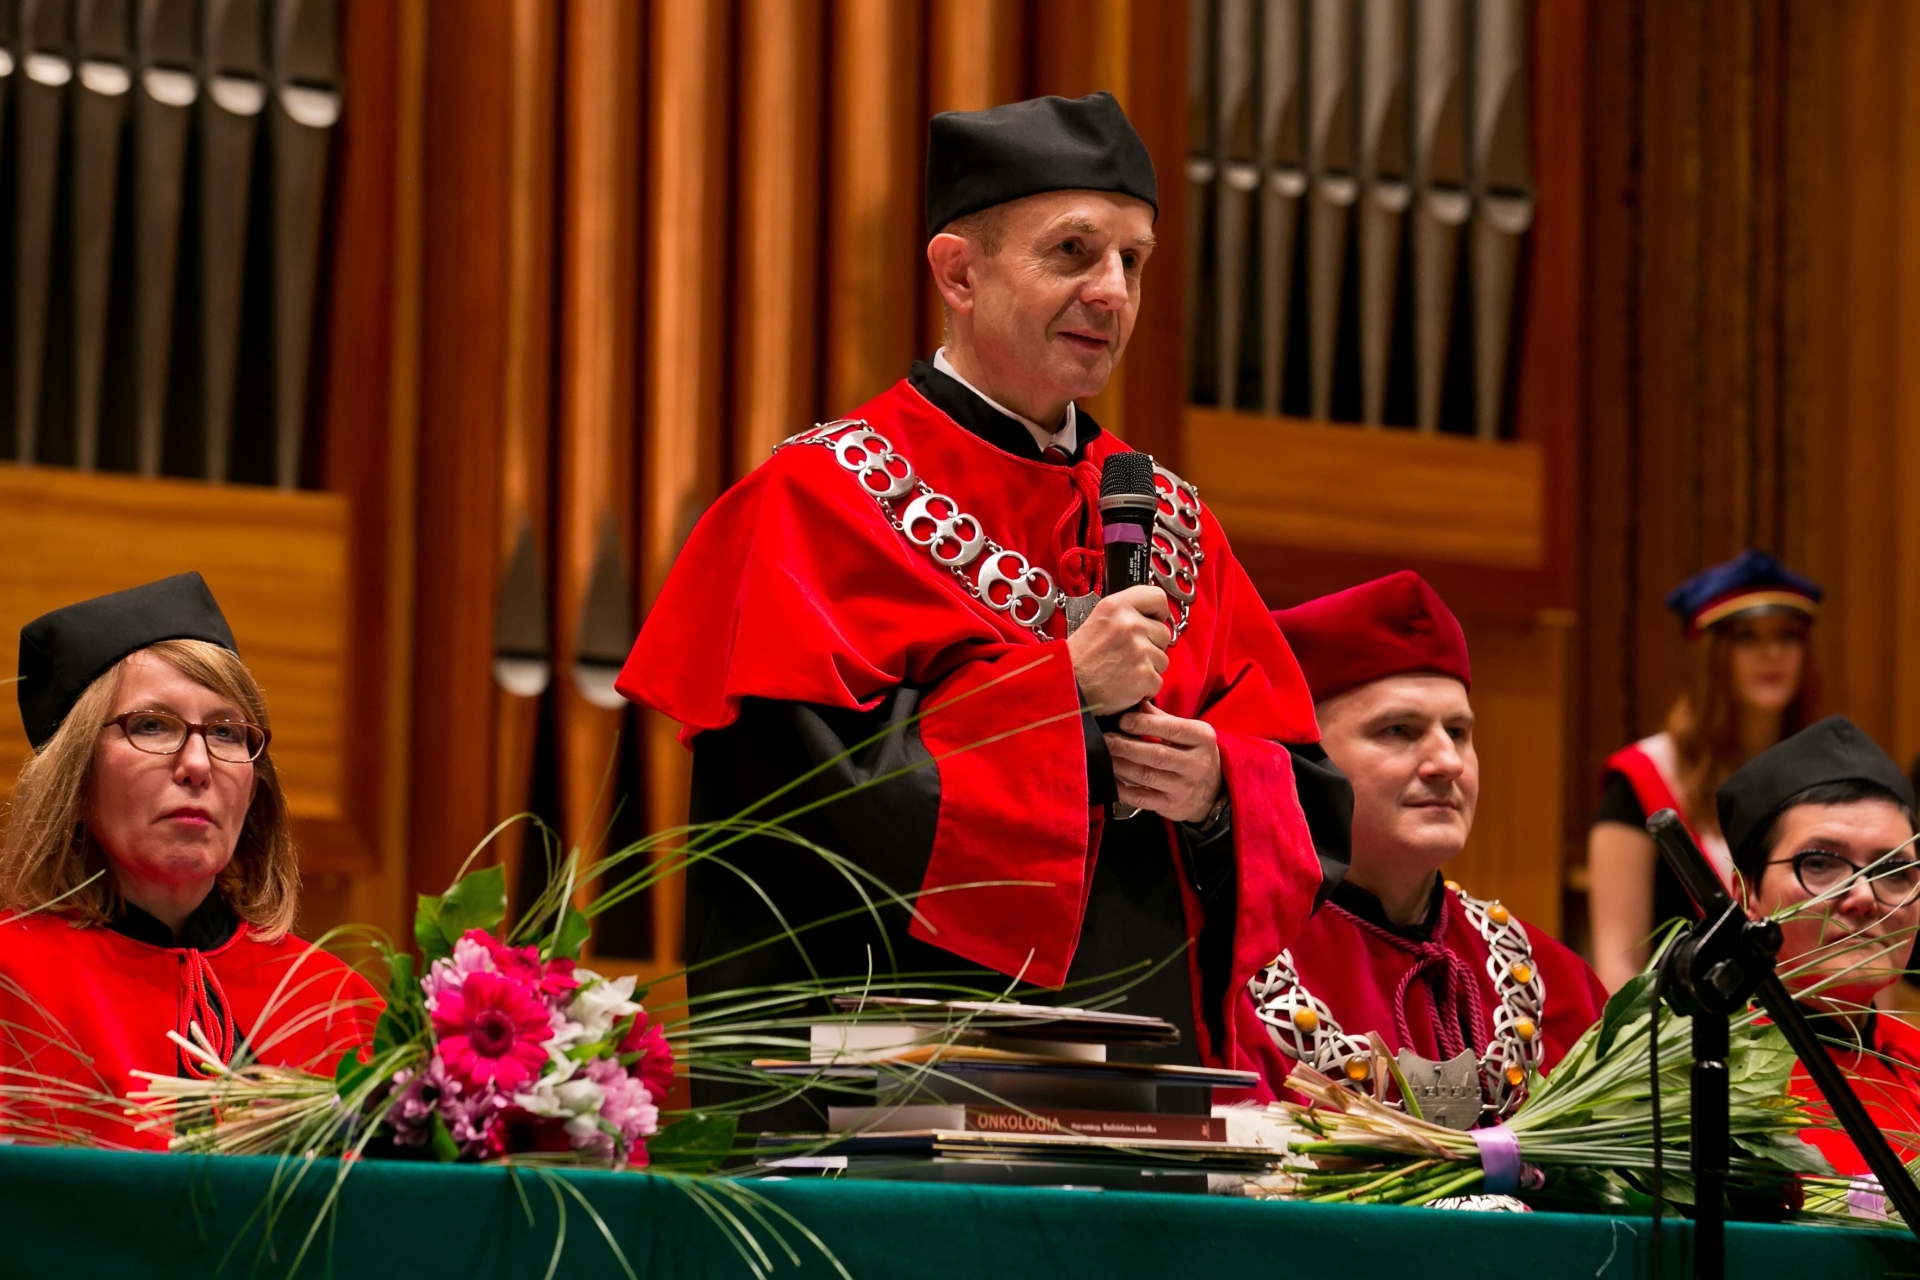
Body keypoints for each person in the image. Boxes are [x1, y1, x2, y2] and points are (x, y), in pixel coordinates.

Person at [616, 93, 1344, 1099]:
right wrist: (1060, 692)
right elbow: (813, 811)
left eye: (1133, 260)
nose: (1111, 291)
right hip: (891, 1090)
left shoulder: (1178, 523)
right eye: (1074, 251)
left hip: (1148, 1090)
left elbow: (1312, 800)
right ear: (959, 272)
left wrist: (1221, 789)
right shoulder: (816, 502)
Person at [0, 573, 379, 1148]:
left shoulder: (333, 1003)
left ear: (254, 789)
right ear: (73, 781)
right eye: (152, 725)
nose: (198, 764)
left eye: (226, 733)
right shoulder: (12, 979)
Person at [1244, 572, 1608, 1125]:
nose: (1448, 762)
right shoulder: (1232, 971)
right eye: (1398, 730)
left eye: (1458, 732)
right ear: (1303, 755)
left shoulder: (1557, 984)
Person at [1588, 549, 1822, 991]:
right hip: (1678, 1026)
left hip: (1812, 1025)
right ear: (1710, 655)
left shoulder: (1829, 777)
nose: (1772, 653)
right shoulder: (1640, 779)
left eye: (1788, 636)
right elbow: (1618, 968)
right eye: (1747, 637)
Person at [1714, 715, 1920, 1179]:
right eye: (1822, 864)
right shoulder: (1690, 1072)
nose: (1864, 896)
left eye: (1894, 872)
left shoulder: (1915, 1061)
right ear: (1745, 895)